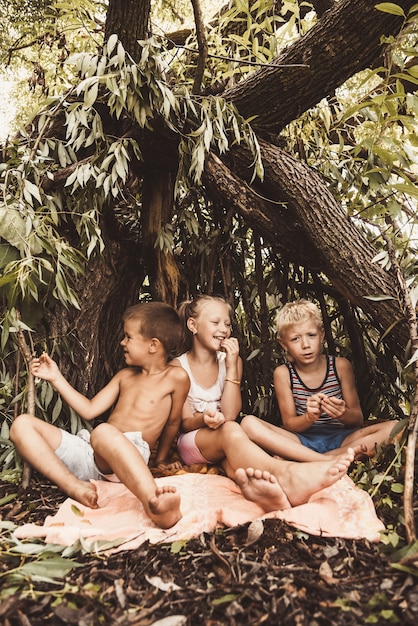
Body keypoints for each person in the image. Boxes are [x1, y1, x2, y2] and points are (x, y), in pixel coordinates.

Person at [10, 302, 190, 529]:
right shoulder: (124, 376)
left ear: (153, 345)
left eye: (128, 337)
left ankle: (154, 502)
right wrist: (55, 377)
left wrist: (161, 458)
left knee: (104, 431)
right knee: (22, 425)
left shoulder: (176, 377)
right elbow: (89, 409)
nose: (122, 342)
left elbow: (174, 422)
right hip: (93, 452)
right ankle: (74, 486)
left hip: (130, 454)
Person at [172, 295, 356, 512]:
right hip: (193, 442)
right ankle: (292, 473)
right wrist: (204, 418)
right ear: (192, 325)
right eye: (215, 323)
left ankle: (273, 494)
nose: (223, 329)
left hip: (224, 440)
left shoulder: (232, 362)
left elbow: (230, 413)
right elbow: (184, 423)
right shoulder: (177, 367)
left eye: (228, 324)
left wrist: (231, 367)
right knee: (232, 429)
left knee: (236, 465)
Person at [241, 299, 397, 459]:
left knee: (394, 427)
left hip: (343, 438)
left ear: (321, 335)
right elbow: (289, 424)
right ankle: (327, 460)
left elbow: (357, 419)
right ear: (283, 344)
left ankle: (316, 459)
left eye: (311, 335)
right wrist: (309, 417)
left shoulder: (340, 366)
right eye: (295, 339)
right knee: (248, 423)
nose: (305, 344)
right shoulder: (284, 373)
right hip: (301, 441)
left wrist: (342, 413)